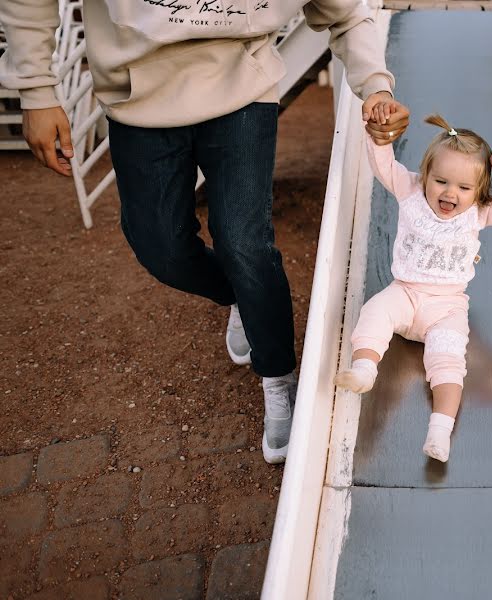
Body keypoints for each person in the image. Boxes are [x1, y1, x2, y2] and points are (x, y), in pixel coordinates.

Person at [0, 0, 410, 464]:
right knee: (161, 248)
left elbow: (348, 12)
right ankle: (240, 297)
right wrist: (36, 89)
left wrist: (374, 86)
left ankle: (277, 376)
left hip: (242, 81)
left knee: (245, 242)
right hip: (139, 90)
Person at [335, 108, 492, 462]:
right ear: (426, 175)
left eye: (464, 187)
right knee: (374, 311)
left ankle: (439, 429)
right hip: (404, 292)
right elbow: (384, 166)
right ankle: (364, 369)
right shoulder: (411, 190)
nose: (450, 192)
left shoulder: (478, 212)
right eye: (441, 181)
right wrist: (379, 138)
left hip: (447, 307)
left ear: (480, 191)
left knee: (448, 359)